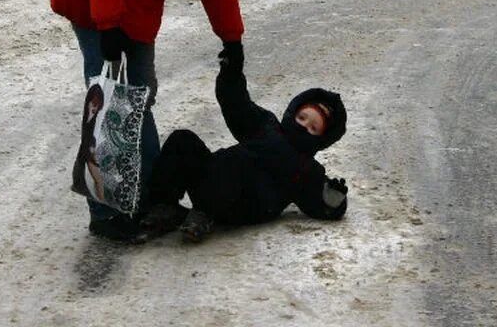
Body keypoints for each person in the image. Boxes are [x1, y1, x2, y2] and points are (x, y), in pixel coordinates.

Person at [50, 0, 274, 243]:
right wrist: (108, 25)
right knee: (113, 105)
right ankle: (107, 211)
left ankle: (147, 197)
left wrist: (232, 37)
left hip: (134, 6)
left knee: (139, 97)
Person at [139, 42, 349, 243]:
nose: (304, 127)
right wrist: (231, 74)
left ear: (320, 140)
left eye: (312, 128)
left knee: (241, 159)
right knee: (182, 140)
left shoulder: (305, 167)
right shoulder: (267, 125)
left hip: (246, 205)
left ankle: (204, 214)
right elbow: (237, 106)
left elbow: (319, 203)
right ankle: (163, 205)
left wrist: (334, 198)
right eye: (303, 118)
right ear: (293, 112)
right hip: (214, 179)